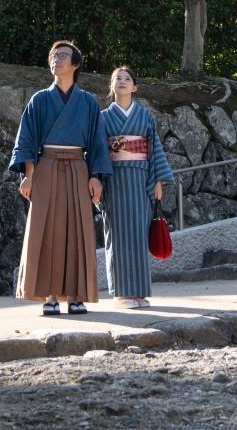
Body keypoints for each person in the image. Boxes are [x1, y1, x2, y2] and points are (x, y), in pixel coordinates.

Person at [10, 39, 110, 314]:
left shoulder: (88, 102)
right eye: (54, 56)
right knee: (47, 231)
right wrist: (28, 175)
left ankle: (76, 295)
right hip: (46, 166)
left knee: (78, 230)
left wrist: (96, 177)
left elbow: (98, 142)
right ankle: (49, 295)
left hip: (78, 167)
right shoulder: (39, 100)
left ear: (75, 64)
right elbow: (27, 138)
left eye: (63, 55)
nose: (56, 59)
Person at [101, 65, 175, 307]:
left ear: (134, 87)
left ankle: (140, 292)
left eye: (126, 78)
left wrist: (157, 180)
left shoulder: (144, 117)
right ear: (112, 87)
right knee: (119, 235)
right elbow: (98, 153)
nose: (122, 81)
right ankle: (122, 293)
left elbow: (154, 149)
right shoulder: (103, 118)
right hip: (114, 180)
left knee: (139, 235)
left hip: (141, 179)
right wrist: (97, 180)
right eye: (117, 78)